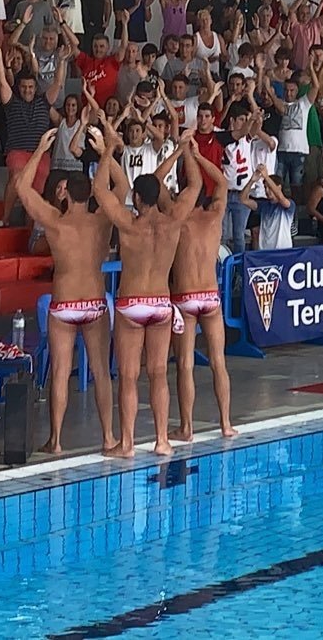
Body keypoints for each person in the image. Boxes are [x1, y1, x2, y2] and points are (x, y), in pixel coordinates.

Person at [87, 118, 194, 457]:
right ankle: (162, 441)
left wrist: (107, 151)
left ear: (136, 197)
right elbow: (194, 187)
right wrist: (184, 150)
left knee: (129, 376)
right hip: (161, 304)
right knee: (159, 374)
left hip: (132, 303)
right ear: (159, 195)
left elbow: (100, 190)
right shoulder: (174, 221)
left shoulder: (128, 224)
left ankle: (128, 444)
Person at [17, 127, 120, 456]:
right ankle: (108, 438)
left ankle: (56, 441)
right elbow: (124, 187)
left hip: (63, 304)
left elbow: (22, 187)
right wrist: (105, 152)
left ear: (65, 194)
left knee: (60, 373)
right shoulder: (102, 220)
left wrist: (40, 150)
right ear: (90, 195)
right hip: (94, 302)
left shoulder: (54, 221)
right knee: (101, 372)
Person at [172, 140, 236, 440]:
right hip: (210, 296)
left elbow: (154, 185)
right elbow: (222, 182)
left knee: (185, 365)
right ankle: (225, 423)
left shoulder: (178, 219)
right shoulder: (215, 216)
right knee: (218, 361)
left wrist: (181, 151)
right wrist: (197, 155)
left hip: (185, 297)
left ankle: (187, 428)